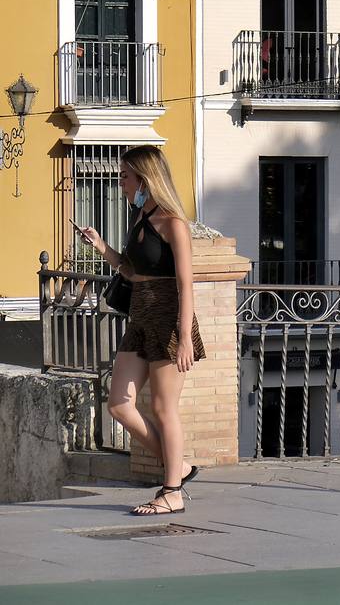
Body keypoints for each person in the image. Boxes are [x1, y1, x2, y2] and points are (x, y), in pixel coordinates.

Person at [76, 145, 205, 516]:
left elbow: (186, 284)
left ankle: (172, 491)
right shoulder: (139, 218)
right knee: (119, 404)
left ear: (145, 178)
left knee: (165, 408)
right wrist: (101, 246)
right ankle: (177, 466)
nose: (120, 181)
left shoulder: (172, 221)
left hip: (168, 318)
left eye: (125, 175)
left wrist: (183, 336)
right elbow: (133, 272)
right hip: (140, 316)